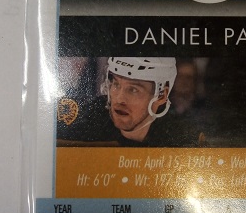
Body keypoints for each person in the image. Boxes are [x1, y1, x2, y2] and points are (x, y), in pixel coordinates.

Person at [57, 57, 204, 147]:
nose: (119, 99)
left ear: (161, 96)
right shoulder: (87, 122)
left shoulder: (181, 138)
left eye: (133, 90)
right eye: (116, 84)